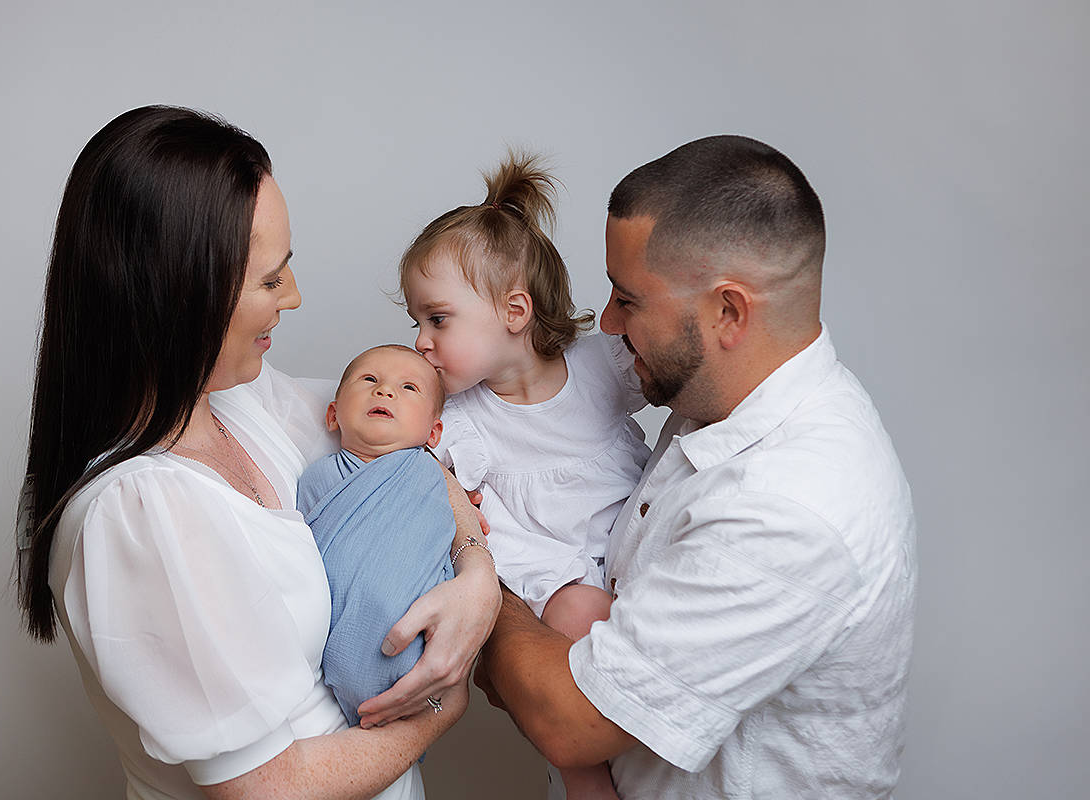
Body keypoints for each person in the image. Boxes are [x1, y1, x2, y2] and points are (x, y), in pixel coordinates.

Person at [15, 105, 500, 800]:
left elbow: (409, 454)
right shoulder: (140, 513)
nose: (295, 297)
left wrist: (475, 572)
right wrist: (436, 714)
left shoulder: (246, 400)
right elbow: (268, 789)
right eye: (270, 280)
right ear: (182, 292)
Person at [475, 135, 917, 799]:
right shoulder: (713, 400)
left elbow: (569, 722)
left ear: (727, 311)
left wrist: (480, 579)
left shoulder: (789, 506)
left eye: (629, 298)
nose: (612, 322)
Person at [400, 152, 652, 799]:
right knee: (579, 615)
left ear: (515, 313)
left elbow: (677, 374)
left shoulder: (599, 368)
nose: (422, 341)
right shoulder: (459, 420)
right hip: (547, 570)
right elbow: (419, 473)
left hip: (626, 547)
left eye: (438, 319)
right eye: (416, 323)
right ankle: (583, 779)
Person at [298, 344, 479, 728]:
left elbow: (442, 547)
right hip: (332, 659)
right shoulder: (317, 480)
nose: (385, 391)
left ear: (433, 432)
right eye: (369, 380)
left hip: (426, 647)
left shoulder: (432, 478)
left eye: (409, 387)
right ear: (333, 414)